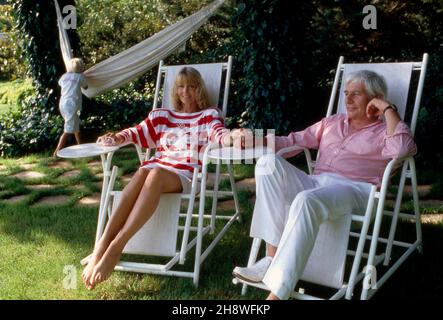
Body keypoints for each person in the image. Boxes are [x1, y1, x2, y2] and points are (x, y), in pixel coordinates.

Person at [232, 70, 417, 300]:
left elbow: (401, 151)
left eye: (356, 94)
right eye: (346, 93)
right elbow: (293, 141)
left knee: (306, 199)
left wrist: (387, 108)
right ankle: (270, 259)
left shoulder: (385, 131)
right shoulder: (333, 122)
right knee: (267, 163)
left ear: (374, 99)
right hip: (318, 182)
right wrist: (254, 140)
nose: (347, 100)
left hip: (356, 190)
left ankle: (277, 294)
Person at [82, 67, 239, 289]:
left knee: (152, 172)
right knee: (144, 171)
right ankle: (101, 247)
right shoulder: (163, 116)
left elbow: (218, 133)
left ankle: (115, 248)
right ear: (175, 90)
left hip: (184, 174)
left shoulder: (209, 115)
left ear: (199, 89)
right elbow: (137, 132)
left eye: (192, 86)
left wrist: (231, 136)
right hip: (156, 170)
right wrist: (116, 137)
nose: (186, 91)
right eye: (181, 86)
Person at [53, 58, 88, 157]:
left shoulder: (64, 76)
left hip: (63, 103)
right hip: (72, 104)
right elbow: (86, 87)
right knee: (68, 129)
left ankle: (80, 145)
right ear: (81, 67)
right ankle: (57, 152)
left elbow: (60, 83)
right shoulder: (80, 77)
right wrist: (84, 76)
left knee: (75, 123)